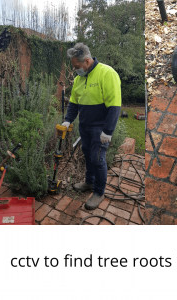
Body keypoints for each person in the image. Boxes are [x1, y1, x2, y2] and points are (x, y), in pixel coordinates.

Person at [63, 43, 121, 210]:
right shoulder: (79, 79)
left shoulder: (107, 74)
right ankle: (89, 182)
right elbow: (74, 102)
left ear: (87, 61)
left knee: (98, 158)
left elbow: (115, 106)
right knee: (87, 155)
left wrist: (108, 131)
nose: (75, 70)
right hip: (85, 126)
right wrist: (68, 120)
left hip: (100, 128)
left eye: (77, 66)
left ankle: (98, 192)